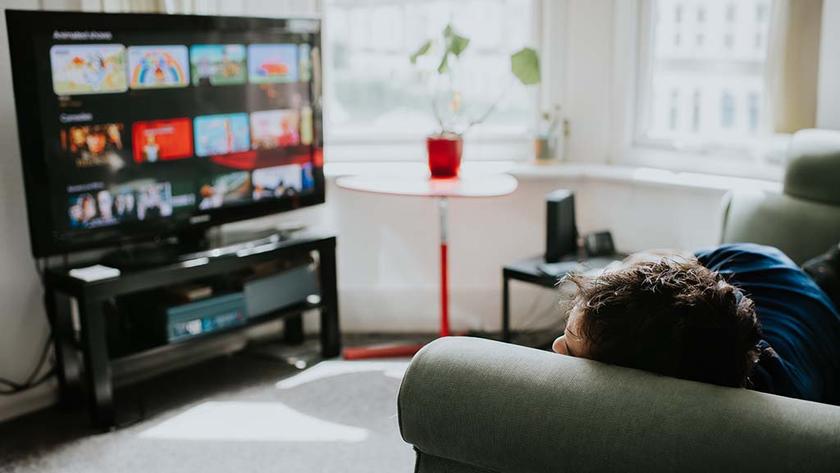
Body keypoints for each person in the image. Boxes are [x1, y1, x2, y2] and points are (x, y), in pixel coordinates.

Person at [553, 243, 840, 405]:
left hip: (809, 302)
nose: (555, 346)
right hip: (754, 264)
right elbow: (650, 266)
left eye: (571, 346)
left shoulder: (790, 399)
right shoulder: (721, 284)